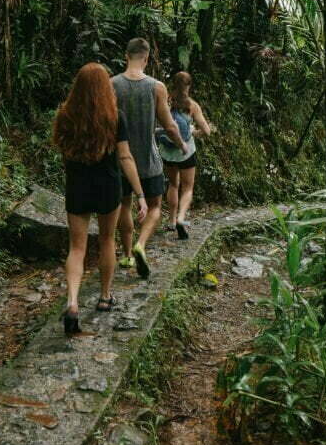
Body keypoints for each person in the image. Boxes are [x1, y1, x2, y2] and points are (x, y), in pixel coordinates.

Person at [53, 63, 148, 334]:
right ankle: (105, 297)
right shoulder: (115, 117)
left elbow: (62, 148)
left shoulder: (65, 115)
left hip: (77, 187)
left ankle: (72, 302)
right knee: (107, 240)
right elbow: (125, 157)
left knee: (77, 248)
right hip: (108, 186)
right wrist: (140, 194)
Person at [111, 38, 185, 279]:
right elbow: (169, 124)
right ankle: (141, 244)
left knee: (124, 204)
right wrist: (182, 144)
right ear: (146, 58)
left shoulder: (112, 85)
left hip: (120, 160)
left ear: (126, 56)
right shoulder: (157, 87)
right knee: (155, 206)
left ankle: (127, 255)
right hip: (149, 159)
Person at [159, 71, 211, 239]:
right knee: (187, 188)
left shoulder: (166, 101)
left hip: (167, 151)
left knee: (173, 185)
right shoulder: (192, 105)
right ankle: (181, 218)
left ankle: (171, 221)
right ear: (188, 86)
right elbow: (206, 131)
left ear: (173, 84)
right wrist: (194, 132)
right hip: (186, 152)